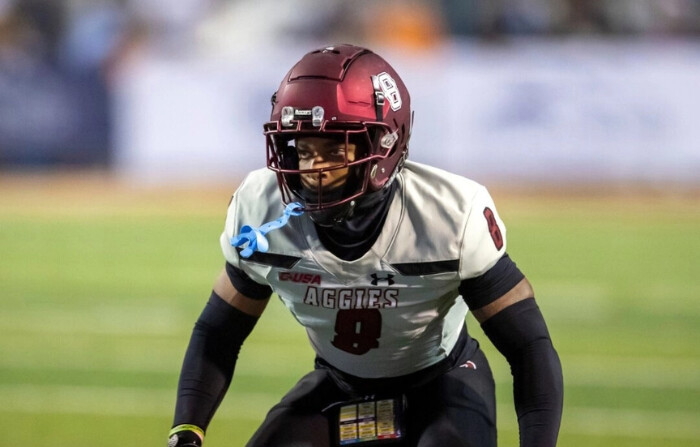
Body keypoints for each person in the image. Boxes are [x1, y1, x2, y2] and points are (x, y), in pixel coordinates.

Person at [168, 44, 563, 447]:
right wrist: (187, 428)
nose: (313, 169)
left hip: (443, 381)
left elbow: (528, 346)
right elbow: (218, 332)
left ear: (384, 145)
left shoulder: (447, 215)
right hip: (340, 383)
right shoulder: (262, 209)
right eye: (303, 149)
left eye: (333, 149)